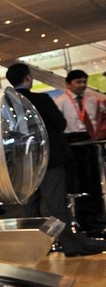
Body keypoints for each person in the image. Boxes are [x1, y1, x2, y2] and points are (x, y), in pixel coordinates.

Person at [6, 64, 102, 256]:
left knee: (30, 206)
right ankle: (71, 245)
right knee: (57, 205)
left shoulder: (7, 105)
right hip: (48, 159)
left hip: (23, 163)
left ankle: (39, 247)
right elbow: (59, 123)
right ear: (28, 78)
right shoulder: (41, 99)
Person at [54, 69, 106, 227]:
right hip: (73, 145)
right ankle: (83, 216)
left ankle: (98, 213)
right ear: (68, 84)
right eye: (78, 82)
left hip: (90, 143)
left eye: (84, 82)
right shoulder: (60, 101)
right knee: (79, 181)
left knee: (95, 180)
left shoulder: (92, 100)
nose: (82, 85)